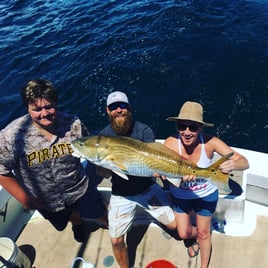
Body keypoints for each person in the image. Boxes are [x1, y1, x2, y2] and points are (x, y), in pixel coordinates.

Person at [0, 79, 107, 243]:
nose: (44, 113)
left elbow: (91, 148)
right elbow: (2, 171)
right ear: (27, 108)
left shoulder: (74, 125)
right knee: (65, 221)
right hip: (45, 202)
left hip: (80, 189)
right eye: (36, 109)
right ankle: (77, 223)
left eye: (49, 107)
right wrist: (25, 199)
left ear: (56, 103)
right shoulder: (11, 137)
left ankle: (106, 224)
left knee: (98, 213)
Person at [98, 91, 179, 268]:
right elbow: (103, 174)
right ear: (107, 111)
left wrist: (159, 170)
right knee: (116, 241)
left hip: (147, 188)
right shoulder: (103, 136)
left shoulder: (144, 130)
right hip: (121, 194)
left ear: (129, 108)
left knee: (176, 228)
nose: (118, 110)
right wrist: (104, 163)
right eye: (113, 107)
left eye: (122, 106)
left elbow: (153, 156)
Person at [164, 101, 249, 268]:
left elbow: (244, 162)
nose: (187, 132)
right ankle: (199, 235)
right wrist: (163, 174)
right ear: (177, 127)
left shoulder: (211, 142)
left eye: (193, 127)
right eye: (182, 126)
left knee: (203, 233)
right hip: (180, 196)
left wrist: (233, 165)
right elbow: (163, 169)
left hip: (206, 195)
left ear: (201, 128)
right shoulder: (170, 143)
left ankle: (204, 262)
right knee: (183, 233)